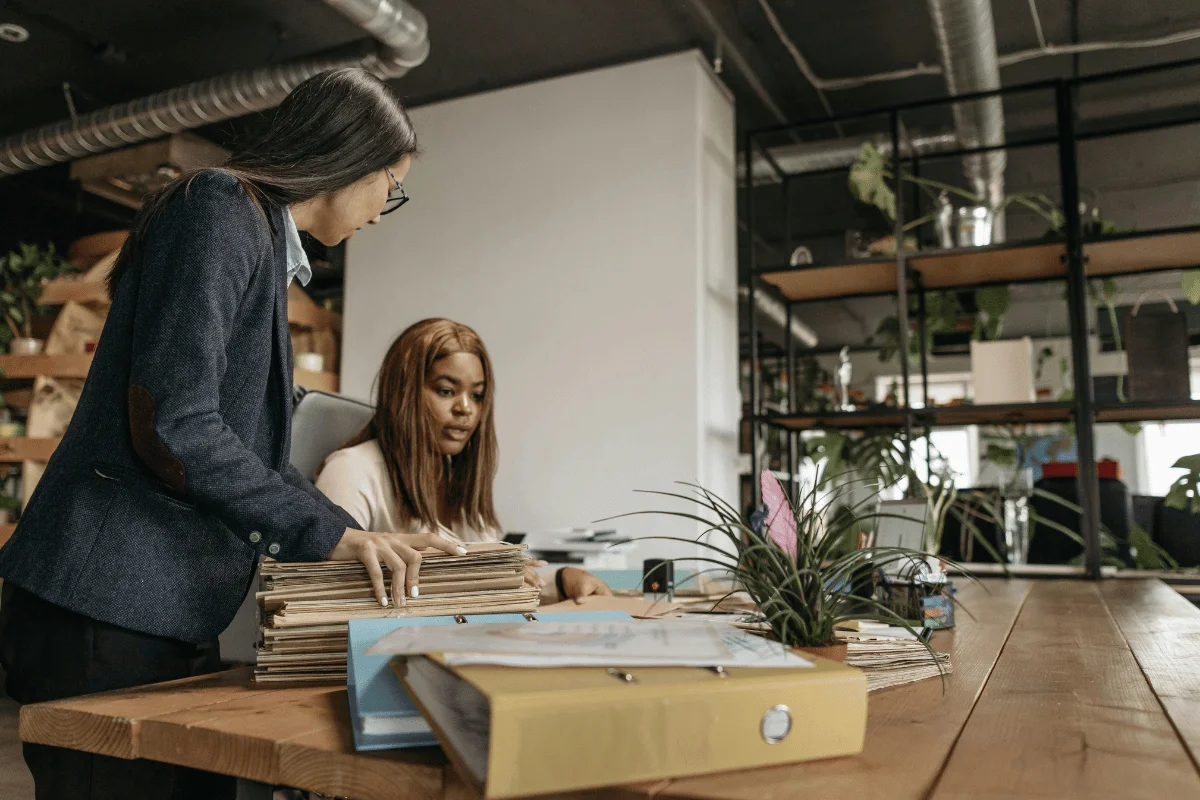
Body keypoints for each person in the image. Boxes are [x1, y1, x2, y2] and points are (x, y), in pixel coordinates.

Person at [0, 69, 460, 800]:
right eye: (389, 187)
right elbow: (177, 427)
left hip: (158, 608)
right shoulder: (220, 208)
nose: (382, 211)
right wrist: (337, 539)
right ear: (347, 161)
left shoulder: (258, 242)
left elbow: (233, 449)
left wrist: (364, 539)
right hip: (107, 606)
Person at [316, 319, 613, 603]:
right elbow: (323, 590)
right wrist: (476, 577)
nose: (465, 409)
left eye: (478, 395)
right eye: (446, 391)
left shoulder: (455, 480)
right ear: (403, 393)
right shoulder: (351, 471)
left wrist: (562, 580)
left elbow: (507, 578)